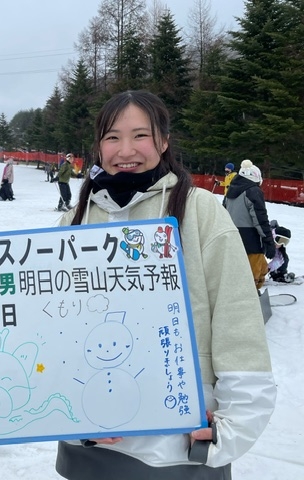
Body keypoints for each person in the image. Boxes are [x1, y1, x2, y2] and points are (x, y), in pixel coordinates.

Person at [55, 90, 275, 480]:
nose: (126, 149)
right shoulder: (76, 220)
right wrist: (70, 410)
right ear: (98, 146)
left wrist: (230, 430)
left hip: (179, 448)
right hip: (92, 450)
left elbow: (237, 322)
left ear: (164, 140)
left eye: (140, 135)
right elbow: (57, 328)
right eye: (112, 137)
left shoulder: (201, 211)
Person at [223, 159, 275, 290]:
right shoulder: (252, 191)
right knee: (256, 273)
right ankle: (249, 301)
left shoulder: (230, 191)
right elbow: (260, 219)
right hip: (251, 241)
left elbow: (222, 213)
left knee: (238, 272)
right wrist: (268, 241)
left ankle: (236, 296)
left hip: (232, 237)